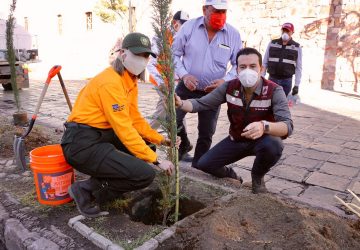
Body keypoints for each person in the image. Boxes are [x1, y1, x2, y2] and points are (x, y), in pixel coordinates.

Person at [61, 32, 175, 218]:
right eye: (138, 55)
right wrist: (157, 160)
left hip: (101, 136)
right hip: (81, 144)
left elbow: (135, 119)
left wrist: (161, 140)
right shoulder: (110, 82)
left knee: (148, 146)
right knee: (145, 174)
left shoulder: (129, 80)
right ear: (123, 53)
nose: (142, 60)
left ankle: (112, 179)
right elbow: (124, 128)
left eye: (146, 56)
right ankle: (86, 190)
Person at [175, 48, 293, 194]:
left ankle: (257, 176)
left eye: (253, 66)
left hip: (262, 140)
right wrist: (181, 104)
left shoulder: (274, 90)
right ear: (237, 70)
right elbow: (202, 103)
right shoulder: (230, 87)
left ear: (261, 69)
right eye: (243, 67)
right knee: (204, 164)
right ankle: (232, 176)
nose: (247, 71)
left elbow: (287, 126)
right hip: (236, 139)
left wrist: (264, 127)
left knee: (274, 144)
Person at [172, 0, 242, 164]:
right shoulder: (188, 28)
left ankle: (199, 165)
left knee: (206, 132)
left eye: (223, 12)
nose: (220, 16)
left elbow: (239, 64)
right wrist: (184, 75)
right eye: (216, 11)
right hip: (186, 87)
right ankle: (183, 147)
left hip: (213, 93)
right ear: (205, 10)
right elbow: (174, 54)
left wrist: (225, 81)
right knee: (173, 121)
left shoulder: (233, 34)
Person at [147, 10, 190, 129]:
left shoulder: (182, 37)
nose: (186, 28)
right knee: (168, 108)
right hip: (162, 79)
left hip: (175, 81)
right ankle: (146, 136)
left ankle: (182, 139)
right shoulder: (160, 37)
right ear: (175, 23)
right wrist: (162, 83)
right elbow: (151, 63)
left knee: (176, 107)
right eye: (183, 25)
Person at [261, 22, 303, 96]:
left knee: (282, 104)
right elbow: (265, 62)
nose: (285, 33)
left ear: (292, 32)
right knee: (268, 102)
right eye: (283, 30)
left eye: (287, 31)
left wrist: (296, 85)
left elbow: (298, 67)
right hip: (272, 79)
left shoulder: (297, 47)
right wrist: (261, 77)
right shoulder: (272, 43)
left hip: (286, 81)